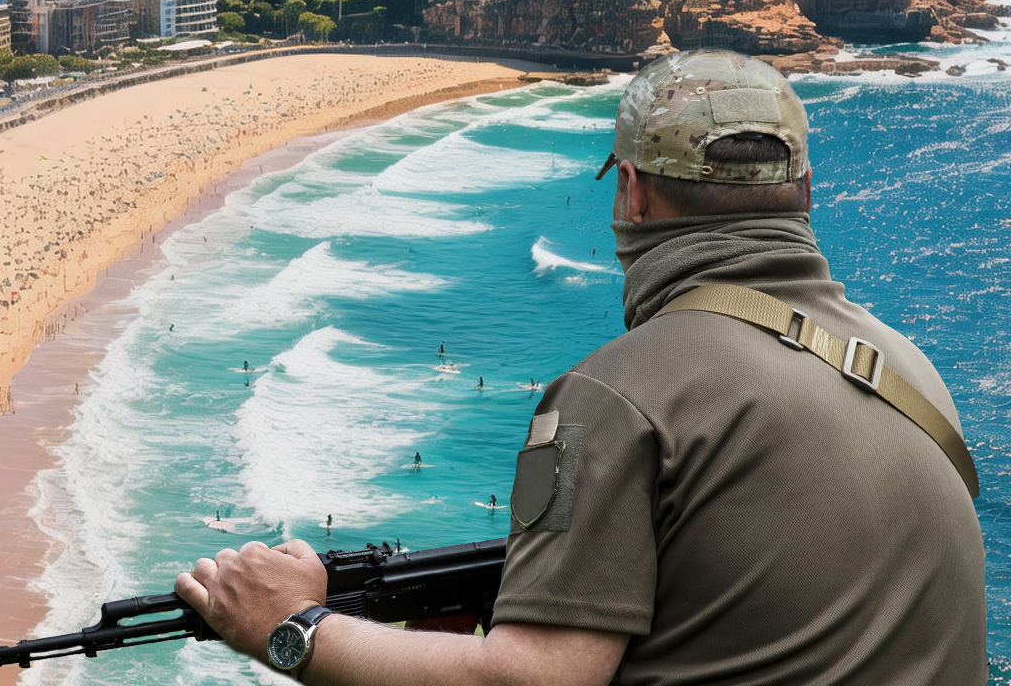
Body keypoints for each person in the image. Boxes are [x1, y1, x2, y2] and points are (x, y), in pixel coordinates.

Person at [173, 50, 986, 685]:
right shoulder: (910, 371)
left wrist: (293, 628)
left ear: (632, 194)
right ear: (805, 191)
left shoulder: (614, 395)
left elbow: (535, 680)